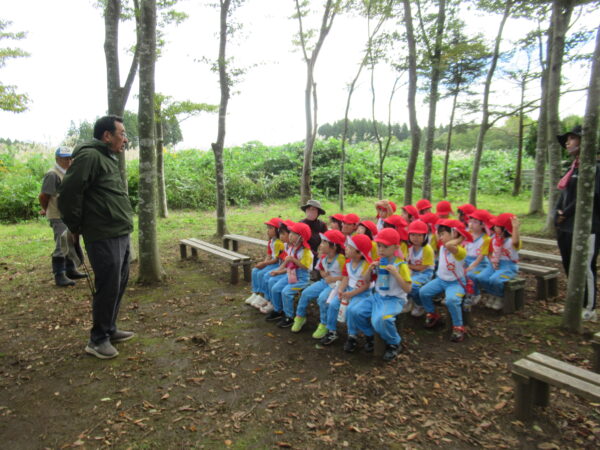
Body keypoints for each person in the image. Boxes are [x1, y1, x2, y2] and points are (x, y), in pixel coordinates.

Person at [57, 115, 134, 360]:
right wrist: (75, 226)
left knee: (118, 283)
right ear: (107, 135)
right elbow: (68, 193)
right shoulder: (90, 156)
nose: (125, 139)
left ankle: (109, 329)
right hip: (102, 233)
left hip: (118, 230)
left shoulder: (107, 157)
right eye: (122, 133)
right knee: (108, 285)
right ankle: (98, 340)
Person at [554, 125, 600, 321]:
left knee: (585, 266)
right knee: (569, 264)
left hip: (587, 227)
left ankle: (589, 308)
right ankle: (574, 304)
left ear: (584, 142)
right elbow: (564, 194)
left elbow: (591, 195)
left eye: (572, 138)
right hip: (565, 226)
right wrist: (557, 213)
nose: (567, 142)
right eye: (567, 139)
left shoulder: (595, 168)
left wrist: (566, 212)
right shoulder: (572, 167)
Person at [344, 228, 412, 362]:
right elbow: (367, 281)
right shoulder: (378, 261)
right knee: (353, 311)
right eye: (379, 246)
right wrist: (369, 269)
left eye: (385, 247)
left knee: (381, 319)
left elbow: (408, 289)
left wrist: (396, 273)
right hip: (377, 296)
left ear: (395, 247)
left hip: (394, 299)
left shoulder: (401, 265)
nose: (381, 250)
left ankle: (394, 343)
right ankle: (370, 336)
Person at [38, 146, 87, 287]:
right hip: (58, 215)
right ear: (57, 159)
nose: (69, 161)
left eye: (71, 158)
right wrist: (47, 209)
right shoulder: (52, 175)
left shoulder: (68, 172)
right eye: (65, 158)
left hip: (69, 215)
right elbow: (43, 196)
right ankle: (59, 274)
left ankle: (71, 270)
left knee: (71, 242)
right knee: (61, 244)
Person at [419, 219, 473, 342]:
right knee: (423, 292)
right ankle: (433, 314)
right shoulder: (443, 247)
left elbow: (450, 245)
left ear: (454, 233)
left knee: (452, 300)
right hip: (440, 280)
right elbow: (437, 237)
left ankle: (458, 326)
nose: (440, 237)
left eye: (443, 234)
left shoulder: (460, 250)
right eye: (439, 234)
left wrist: (461, 237)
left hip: (455, 283)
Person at [319, 234, 372, 346]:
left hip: (361, 293)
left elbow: (366, 285)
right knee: (333, 304)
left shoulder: (366, 266)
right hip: (348, 290)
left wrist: (351, 293)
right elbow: (346, 277)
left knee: (351, 310)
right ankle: (331, 331)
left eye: (350, 247)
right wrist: (341, 290)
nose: (346, 248)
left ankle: (352, 336)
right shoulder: (348, 262)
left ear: (359, 253)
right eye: (347, 245)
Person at [292, 229, 346, 334]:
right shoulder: (324, 257)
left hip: (335, 286)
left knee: (322, 299)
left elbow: (346, 276)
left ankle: (324, 324)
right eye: (322, 242)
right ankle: (300, 316)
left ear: (334, 247)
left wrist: (333, 279)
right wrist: (323, 273)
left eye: (324, 242)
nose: (320, 245)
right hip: (324, 282)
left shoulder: (341, 259)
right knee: (306, 293)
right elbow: (321, 269)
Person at [265, 222, 314, 328]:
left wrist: (293, 259)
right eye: (290, 232)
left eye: (293, 234)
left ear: (301, 238)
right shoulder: (291, 248)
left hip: (302, 279)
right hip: (290, 274)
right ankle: (278, 310)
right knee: (275, 288)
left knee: (286, 292)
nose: (290, 235)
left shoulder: (306, 252)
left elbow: (306, 267)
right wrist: (278, 271)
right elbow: (287, 263)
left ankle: (289, 316)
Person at [478, 213, 520, 311]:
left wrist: (515, 227)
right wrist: (492, 261)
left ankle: (499, 296)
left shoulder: (511, 241)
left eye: (497, 226)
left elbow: (516, 242)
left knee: (495, 280)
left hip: (508, 266)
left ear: (505, 228)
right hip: (494, 264)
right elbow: (490, 253)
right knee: (481, 277)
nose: (494, 227)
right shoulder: (495, 239)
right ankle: (491, 294)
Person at [245, 218, 284, 308]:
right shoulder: (271, 241)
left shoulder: (279, 243)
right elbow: (269, 255)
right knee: (255, 271)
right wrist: (264, 262)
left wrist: (264, 264)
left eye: (270, 228)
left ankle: (264, 296)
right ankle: (256, 292)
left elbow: (277, 259)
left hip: (276, 264)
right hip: (270, 262)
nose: (268, 230)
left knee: (262, 274)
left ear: (278, 230)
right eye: (268, 228)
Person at [406, 220, 435, 318]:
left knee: (412, 286)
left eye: (419, 235)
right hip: (413, 271)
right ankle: (409, 300)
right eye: (413, 235)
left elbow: (422, 267)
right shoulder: (409, 247)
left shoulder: (427, 249)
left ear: (425, 236)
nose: (416, 238)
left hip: (425, 273)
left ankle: (419, 304)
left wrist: (408, 266)